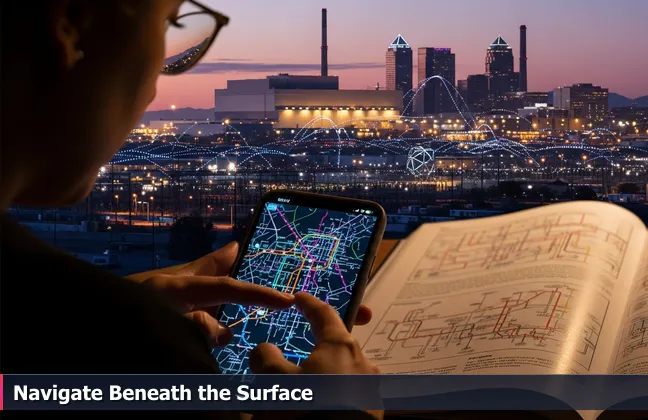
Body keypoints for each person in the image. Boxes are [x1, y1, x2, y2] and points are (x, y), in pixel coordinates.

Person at [0, 1, 381, 419]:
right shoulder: (149, 358)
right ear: (71, 24)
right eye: (167, 24)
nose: (153, 90)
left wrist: (100, 316)